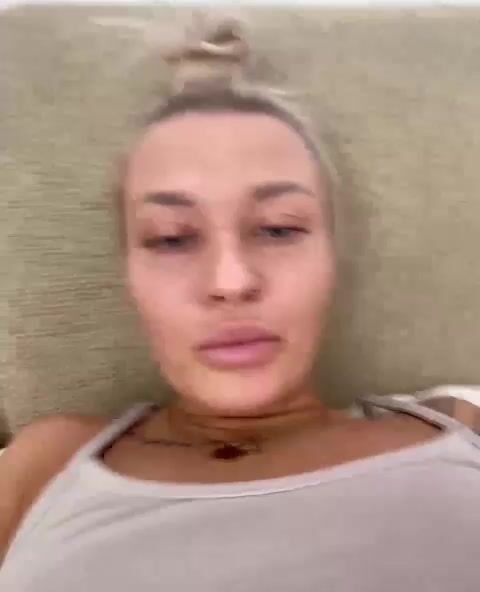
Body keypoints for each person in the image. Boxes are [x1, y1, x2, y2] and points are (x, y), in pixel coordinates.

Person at [0, 16, 479, 592]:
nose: (231, 281)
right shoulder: (47, 461)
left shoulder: (459, 425)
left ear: (333, 259)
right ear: (128, 275)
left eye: (278, 229)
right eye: (172, 238)